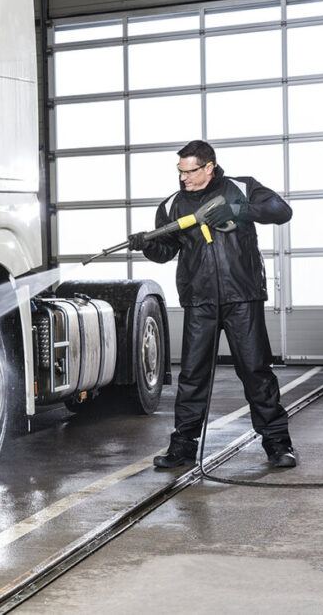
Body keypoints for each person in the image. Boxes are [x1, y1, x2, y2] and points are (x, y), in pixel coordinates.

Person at [128, 140, 297, 469]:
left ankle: (278, 444)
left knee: (256, 372)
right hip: (200, 301)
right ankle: (183, 447)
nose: (183, 178)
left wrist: (237, 210)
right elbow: (165, 252)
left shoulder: (241, 188)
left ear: (209, 166)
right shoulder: (173, 204)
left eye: (190, 171)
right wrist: (145, 244)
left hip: (242, 298)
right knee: (192, 376)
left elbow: (281, 211)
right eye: (180, 171)